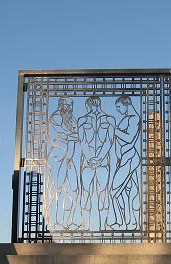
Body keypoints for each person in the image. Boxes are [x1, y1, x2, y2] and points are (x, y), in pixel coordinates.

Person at [77, 96, 116, 230]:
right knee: (96, 193)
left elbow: (108, 141)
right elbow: (107, 141)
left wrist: (93, 158)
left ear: (89, 105)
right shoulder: (109, 119)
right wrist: (97, 158)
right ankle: (89, 228)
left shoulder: (83, 120)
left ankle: (94, 228)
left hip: (94, 162)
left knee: (92, 193)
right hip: (97, 162)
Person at [48, 97, 81, 229]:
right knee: (57, 189)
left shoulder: (73, 119)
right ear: (61, 105)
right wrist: (70, 135)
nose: (70, 108)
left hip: (70, 158)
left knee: (73, 190)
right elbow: (64, 135)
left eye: (71, 105)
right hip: (57, 158)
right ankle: (55, 222)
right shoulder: (55, 117)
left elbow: (77, 136)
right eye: (67, 105)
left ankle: (69, 221)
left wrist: (70, 135)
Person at [112, 95, 141, 230]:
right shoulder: (126, 118)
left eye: (118, 107)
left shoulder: (134, 118)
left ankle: (122, 221)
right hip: (123, 159)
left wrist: (114, 130)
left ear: (126, 104)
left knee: (114, 192)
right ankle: (129, 222)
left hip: (129, 158)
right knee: (126, 192)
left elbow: (129, 138)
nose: (117, 110)